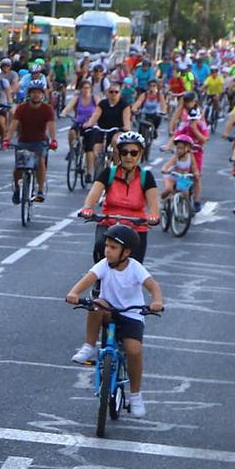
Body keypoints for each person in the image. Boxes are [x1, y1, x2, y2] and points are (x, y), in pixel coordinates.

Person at [66, 224, 165, 417]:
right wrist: (74, 293)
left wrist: (157, 301)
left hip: (131, 315)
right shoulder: (103, 265)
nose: (107, 251)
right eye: (107, 246)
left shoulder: (135, 268)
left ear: (126, 252)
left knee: (134, 351)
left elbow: (153, 285)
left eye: (113, 247)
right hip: (108, 311)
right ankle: (90, 346)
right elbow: (88, 278)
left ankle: (135, 395)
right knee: (96, 304)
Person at [80, 132, 159, 261]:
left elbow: (154, 204)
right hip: (109, 224)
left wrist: (153, 216)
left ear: (140, 154)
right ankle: (100, 280)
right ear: (119, 153)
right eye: (124, 152)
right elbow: (94, 192)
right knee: (100, 247)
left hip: (136, 227)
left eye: (134, 153)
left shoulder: (146, 177)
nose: (129, 156)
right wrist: (88, 208)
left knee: (136, 267)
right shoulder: (109, 173)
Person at [12, 84, 57, 203]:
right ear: (29, 94)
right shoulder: (21, 108)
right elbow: (14, 124)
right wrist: (7, 139)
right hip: (23, 141)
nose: (36, 95)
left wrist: (53, 140)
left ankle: (40, 191)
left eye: (39, 93)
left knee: (41, 161)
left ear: (42, 95)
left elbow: (51, 126)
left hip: (40, 141)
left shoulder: (47, 109)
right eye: (33, 92)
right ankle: (16, 188)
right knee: (18, 168)